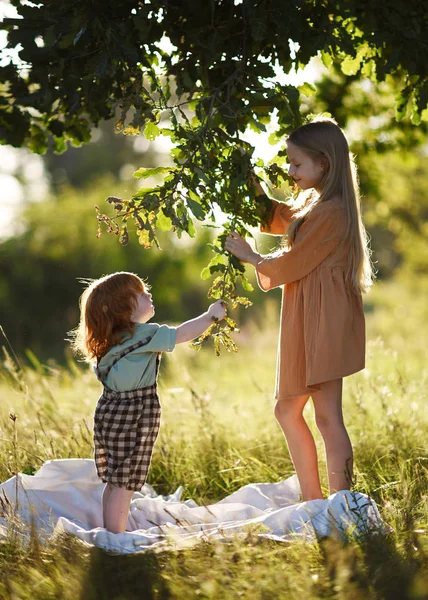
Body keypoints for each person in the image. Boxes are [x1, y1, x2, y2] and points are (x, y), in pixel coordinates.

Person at [225, 117, 374, 501]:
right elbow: (272, 216)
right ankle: (313, 502)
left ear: (324, 163)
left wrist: (252, 257)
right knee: (287, 411)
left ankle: (342, 505)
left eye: (296, 164)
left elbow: (294, 262)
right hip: (305, 317)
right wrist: (243, 171)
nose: (290, 172)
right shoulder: (314, 203)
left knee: (327, 417)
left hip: (324, 320)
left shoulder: (333, 210)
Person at [71, 272, 226, 533]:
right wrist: (211, 315)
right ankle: (115, 538)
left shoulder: (112, 340)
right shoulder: (143, 334)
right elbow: (182, 334)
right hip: (135, 413)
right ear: (125, 307)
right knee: (126, 482)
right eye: (142, 294)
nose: (149, 295)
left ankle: (111, 530)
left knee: (115, 479)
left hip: (110, 411)